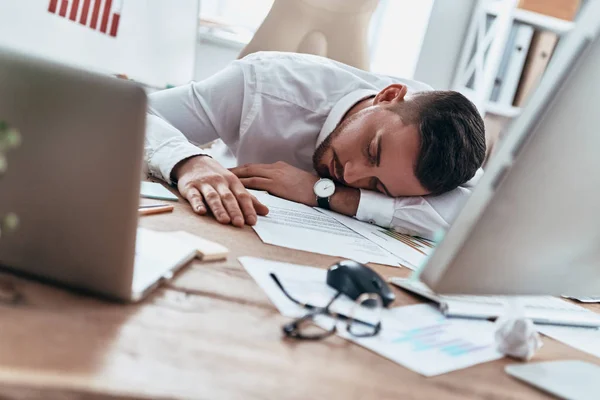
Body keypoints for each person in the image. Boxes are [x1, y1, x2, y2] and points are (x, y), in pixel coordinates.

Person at [145, 51, 486, 240]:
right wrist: (190, 161)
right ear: (387, 96)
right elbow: (132, 113)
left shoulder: (446, 151)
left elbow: (479, 221)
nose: (351, 174)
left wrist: (325, 193)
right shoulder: (263, 84)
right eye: (372, 150)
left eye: (376, 186)